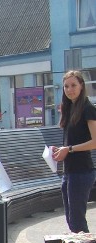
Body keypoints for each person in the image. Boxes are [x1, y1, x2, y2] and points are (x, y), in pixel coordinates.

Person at [52, 70, 96, 233]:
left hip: (82, 172)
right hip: (69, 172)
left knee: (77, 222)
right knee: (71, 220)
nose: (70, 89)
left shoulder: (88, 108)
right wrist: (60, 150)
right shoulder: (69, 109)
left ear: (81, 86)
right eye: (66, 86)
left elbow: (95, 142)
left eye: (73, 85)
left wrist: (68, 149)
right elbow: (72, 140)